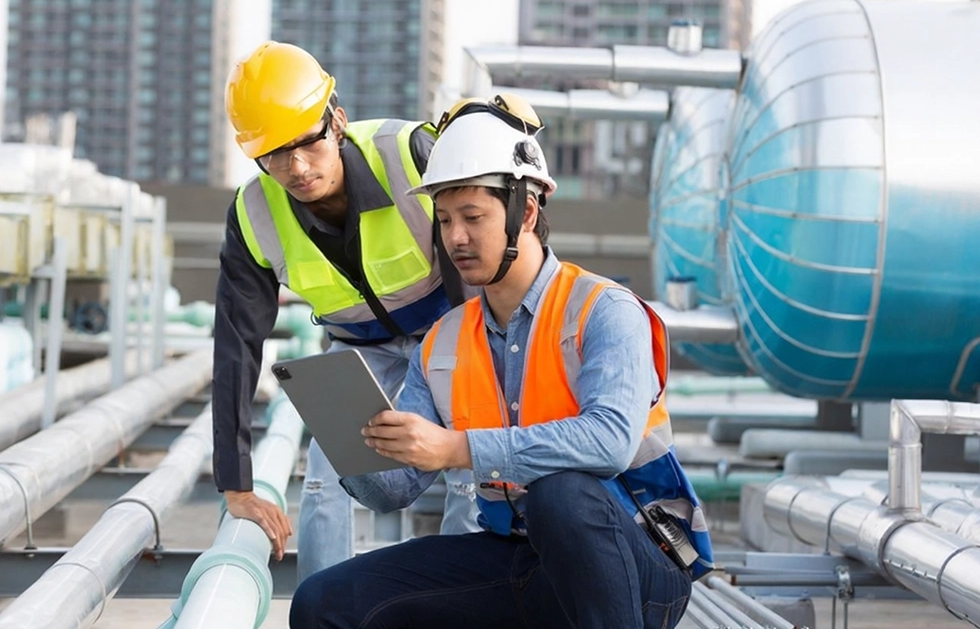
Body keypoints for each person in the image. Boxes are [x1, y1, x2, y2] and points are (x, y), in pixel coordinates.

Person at [288, 102, 714, 629]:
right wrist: (355, 440)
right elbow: (394, 491)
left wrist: (458, 448)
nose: (455, 237)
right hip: (518, 556)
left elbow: (610, 441)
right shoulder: (443, 341)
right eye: (445, 219)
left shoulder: (604, 310)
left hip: (639, 566)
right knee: (323, 601)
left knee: (561, 495)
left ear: (526, 213)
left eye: (473, 217)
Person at [212, 41, 481, 582]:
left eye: (306, 143)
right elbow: (236, 344)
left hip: (451, 331)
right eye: (273, 155)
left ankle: (465, 600)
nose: (295, 168)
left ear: (336, 121)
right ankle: (324, 607)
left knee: (471, 469)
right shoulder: (253, 212)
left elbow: (485, 249)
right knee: (325, 472)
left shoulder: (410, 154)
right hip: (359, 350)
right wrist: (236, 484)